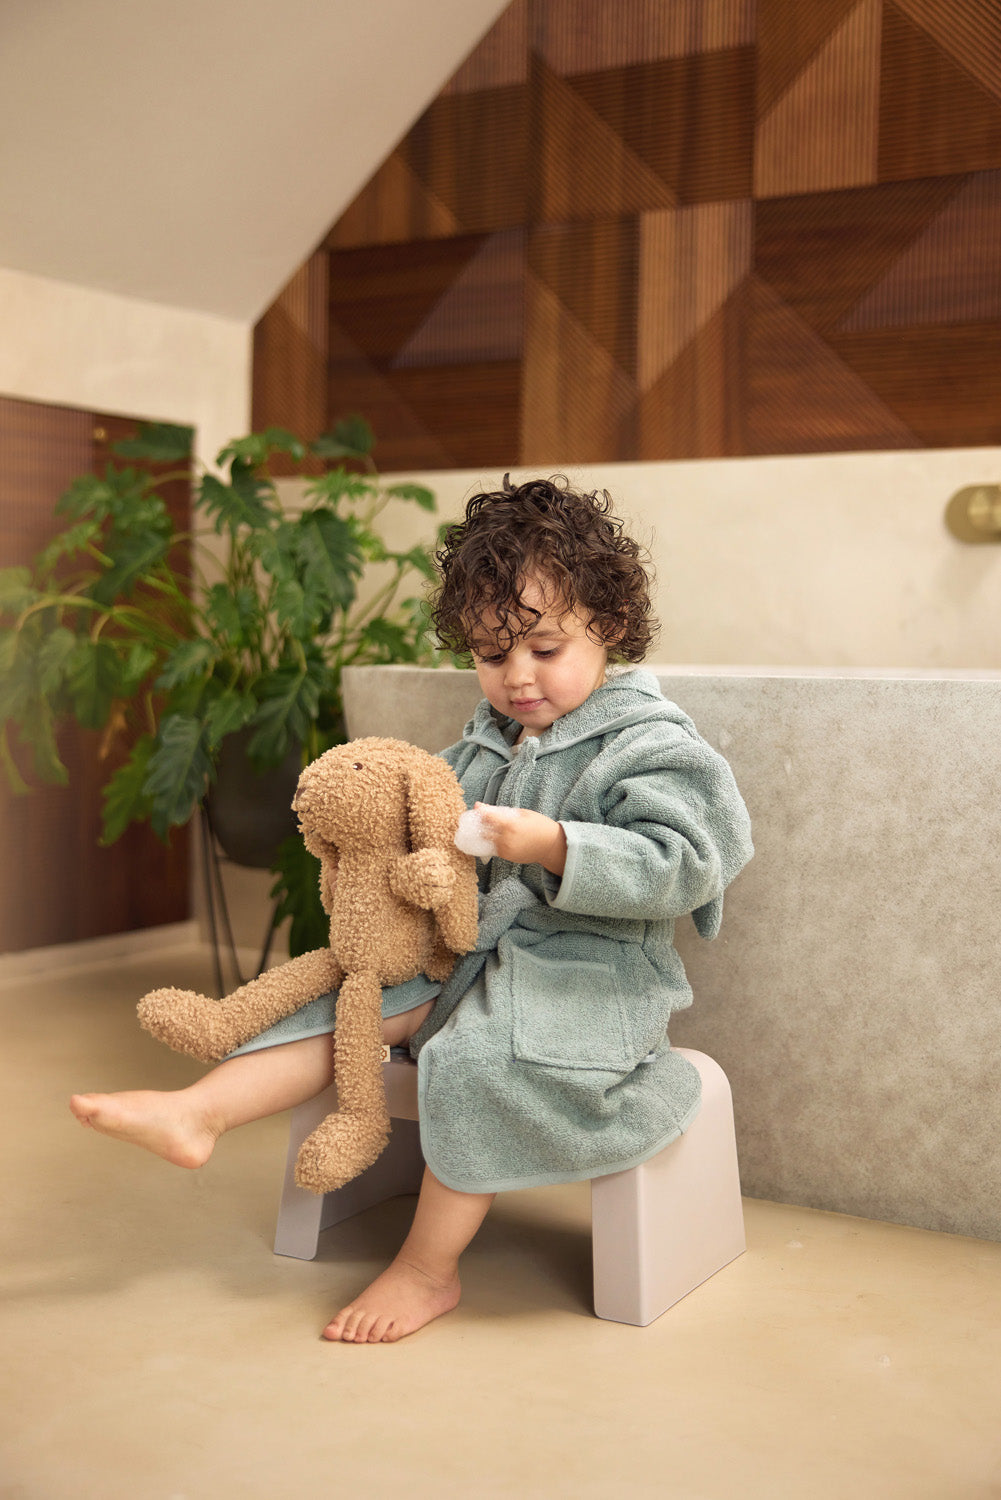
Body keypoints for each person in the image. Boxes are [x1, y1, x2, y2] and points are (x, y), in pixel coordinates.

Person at [70, 475, 752, 1344]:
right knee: (349, 995)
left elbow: (689, 861)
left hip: (586, 976)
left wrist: (555, 845)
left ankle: (428, 1270)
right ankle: (197, 1113)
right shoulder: (477, 747)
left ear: (608, 626)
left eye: (544, 649)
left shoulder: (649, 745)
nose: (516, 676)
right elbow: (422, 836)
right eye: (491, 653)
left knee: (474, 1059)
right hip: (464, 955)